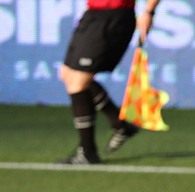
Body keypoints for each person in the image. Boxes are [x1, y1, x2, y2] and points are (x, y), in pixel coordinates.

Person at [55, 0, 163, 165]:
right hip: (93, 14)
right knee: (68, 74)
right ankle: (121, 126)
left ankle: (88, 152)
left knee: (78, 82)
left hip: (113, 16)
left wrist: (149, 11)